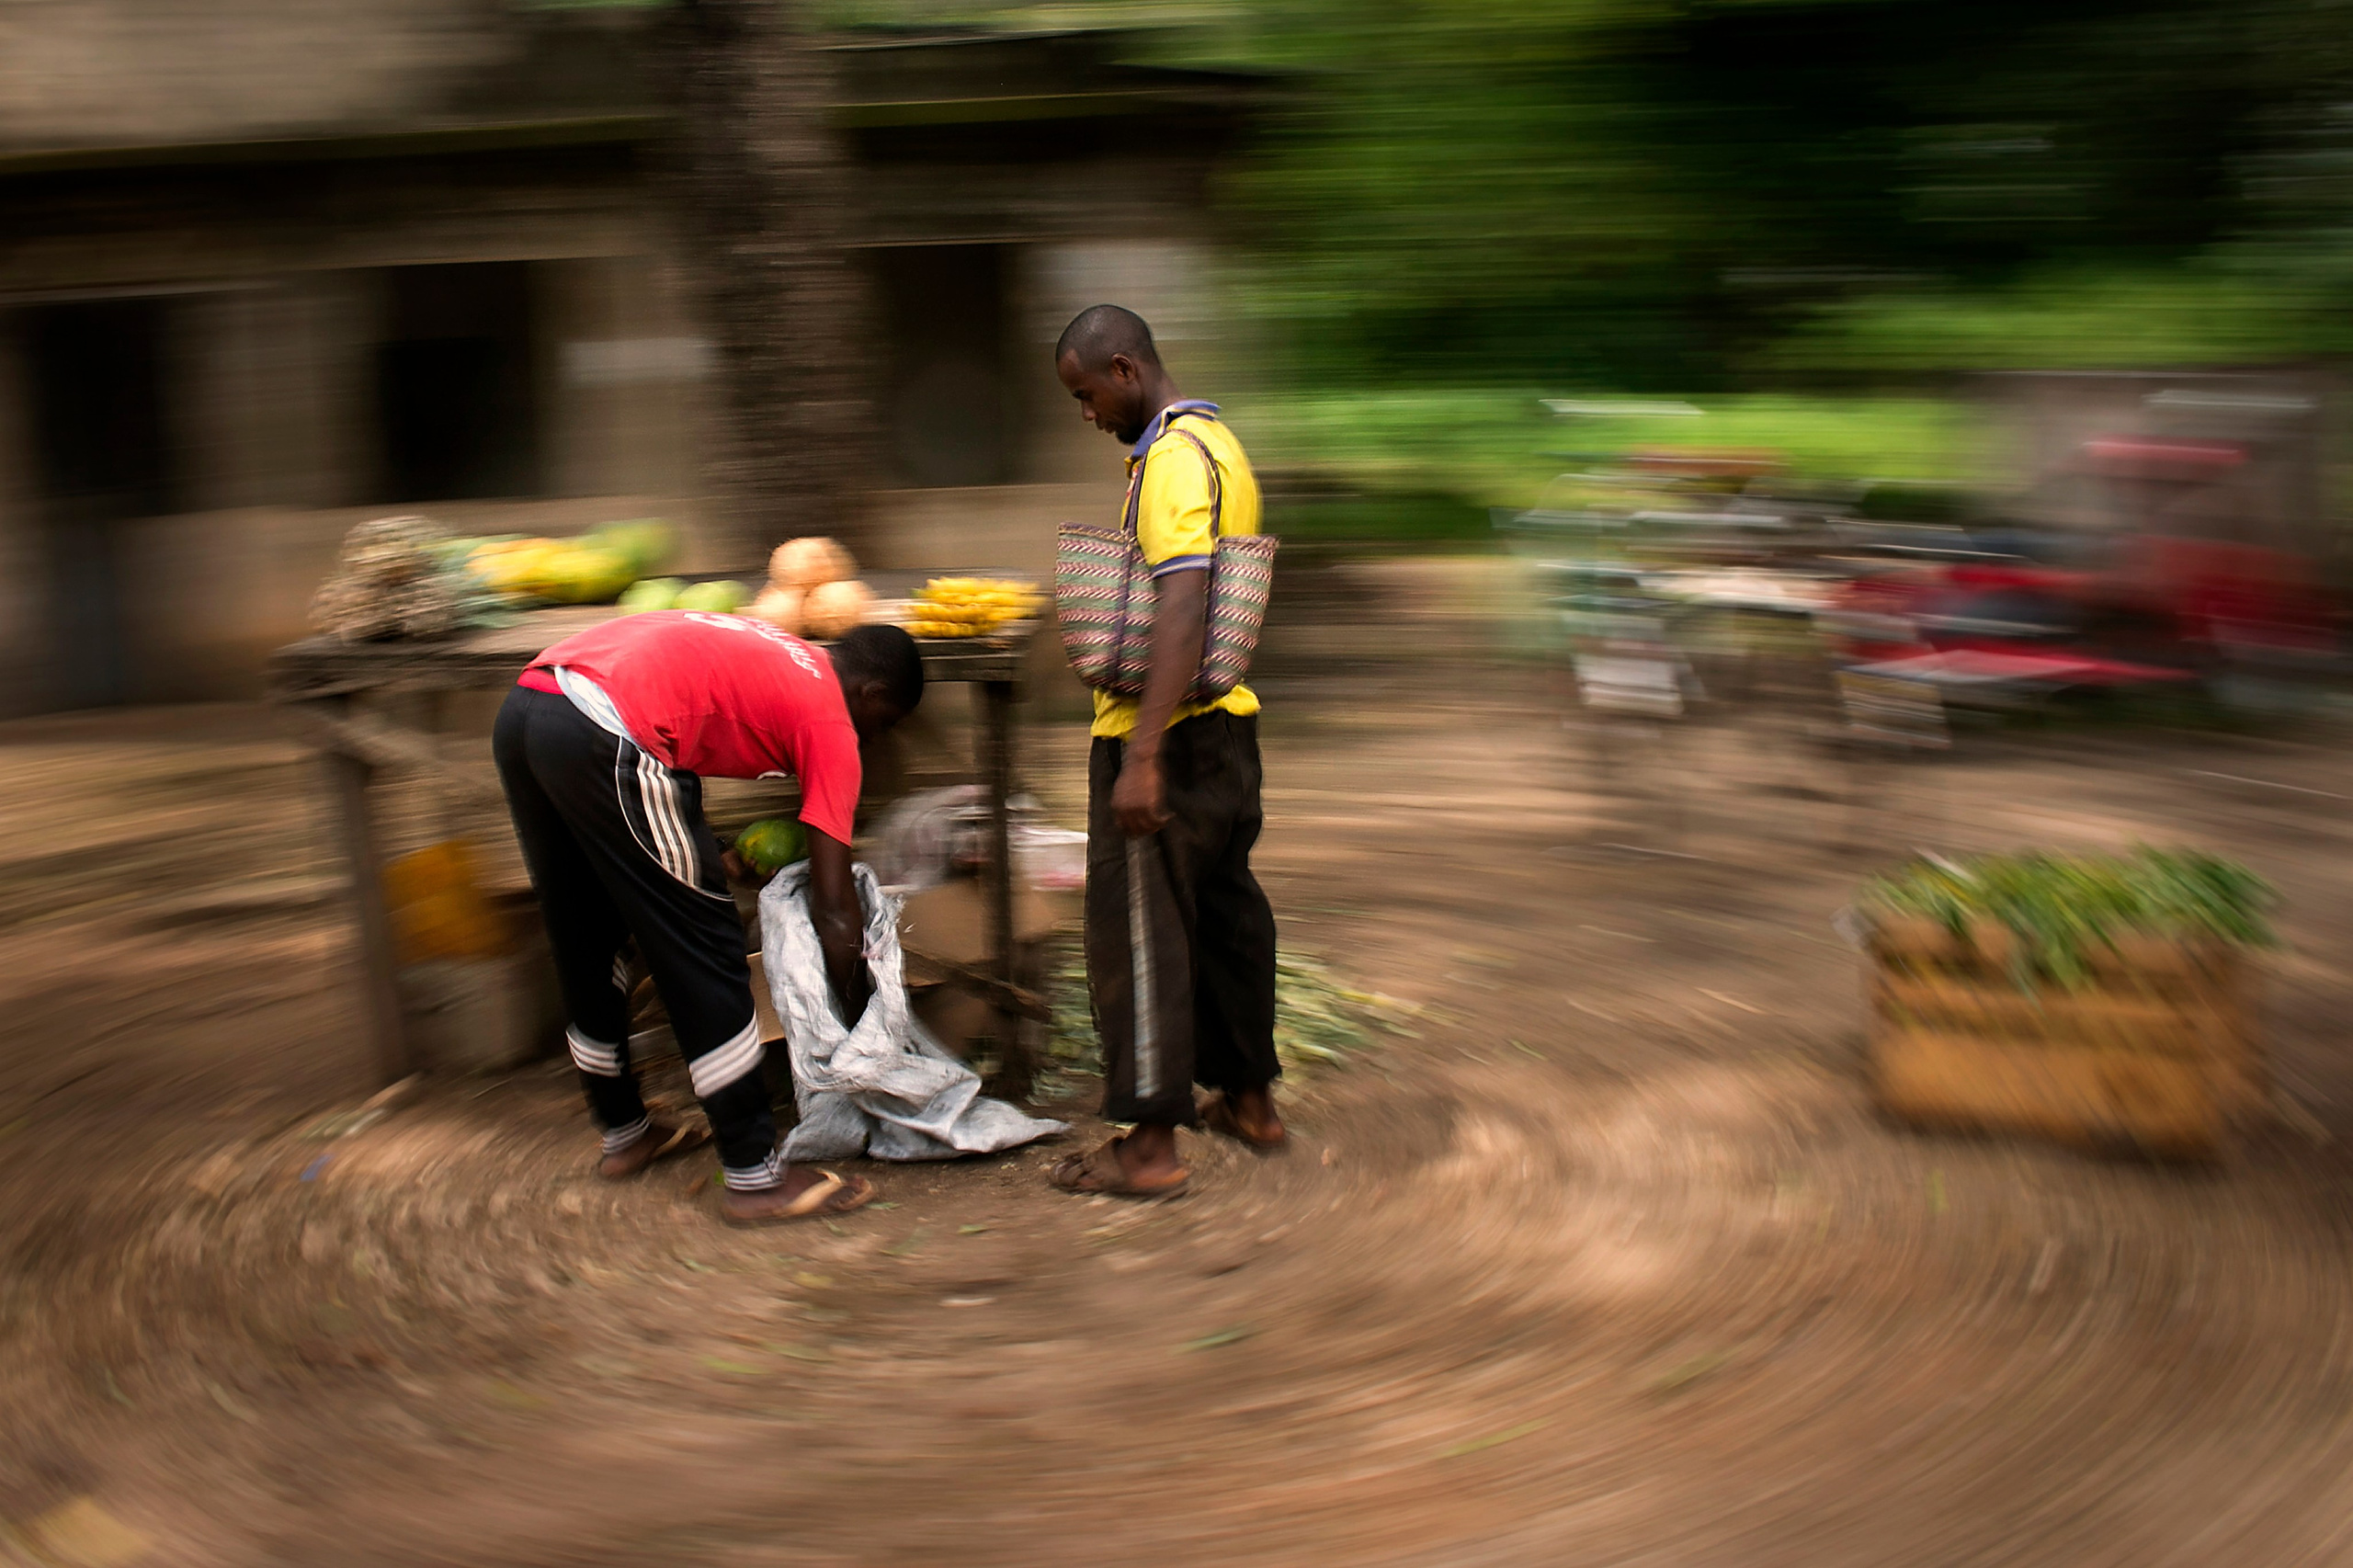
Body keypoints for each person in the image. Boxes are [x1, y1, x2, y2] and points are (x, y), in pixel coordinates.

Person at [492, 609, 924, 1221]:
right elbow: (834, 909)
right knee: (706, 949)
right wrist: (856, 1012)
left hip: (531, 706)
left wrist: (708, 845)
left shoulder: (786, 651)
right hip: (606, 729)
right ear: (872, 693)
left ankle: (625, 1133)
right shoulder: (832, 722)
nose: (876, 740)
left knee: (587, 936)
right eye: (886, 723)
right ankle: (754, 1174)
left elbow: (681, 713)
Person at [1048, 303, 1285, 1199]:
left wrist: (1142, 756)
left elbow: (1183, 601)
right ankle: (1250, 1100)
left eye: (1085, 394)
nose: (1086, 414)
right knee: (1225, 918)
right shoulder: (1220, 443)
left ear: (1124, 369)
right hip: (1228, 731)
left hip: (1165, 739)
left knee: (1139, 937)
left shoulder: (1173, 461)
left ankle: (1147, 1148)